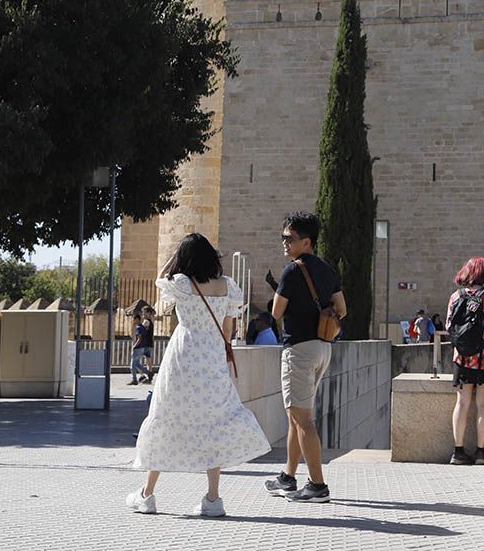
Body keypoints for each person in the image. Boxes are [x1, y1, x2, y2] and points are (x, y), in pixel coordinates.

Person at [128, 233, 269, 517]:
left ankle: (147, 494)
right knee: (213, 420)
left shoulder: (182, 284)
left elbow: (160, 278)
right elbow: (228, 330)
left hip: (183, 356)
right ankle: (213, 499)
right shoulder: (228, 287)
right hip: (212, 356)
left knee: (166, 416)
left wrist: (174, 257)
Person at [263, 211, 347, 504]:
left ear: (306, 241)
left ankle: (317, 485)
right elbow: (342, 308)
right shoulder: (326, 269)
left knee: (303, 420)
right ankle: (288, 477)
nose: (284, 242)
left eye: (290, 238)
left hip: (299, 349)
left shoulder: (291, 270)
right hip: (323, 347)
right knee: (295, 417)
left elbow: (276, 313)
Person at [445, 256, 484, 466]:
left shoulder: (456, 296)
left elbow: (449, 326)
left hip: (462, 358)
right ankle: (480, 452)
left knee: (462, 403)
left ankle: (458, 451)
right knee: (483, 404)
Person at [129, 313, 152, 385]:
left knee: (132, 365)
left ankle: (134, 380)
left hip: (138, 348)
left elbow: (139, 339)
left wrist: (134, 346)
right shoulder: (142, 328)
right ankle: (149, 373)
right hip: (142, 348)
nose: (132, 321)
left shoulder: (138, 328)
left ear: (137, 319)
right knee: (137, 364)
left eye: (133, 319)